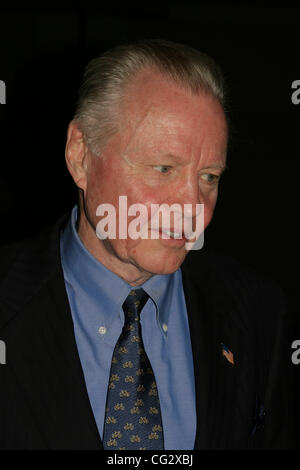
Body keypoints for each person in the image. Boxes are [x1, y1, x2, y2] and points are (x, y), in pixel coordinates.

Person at [0, 39, 295, 450]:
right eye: (163, 168)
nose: (193, 210)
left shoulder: (259, 313)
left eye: (209, 177)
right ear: (81, 156)